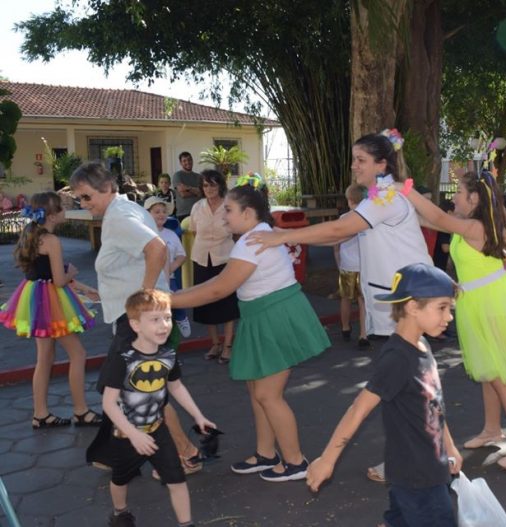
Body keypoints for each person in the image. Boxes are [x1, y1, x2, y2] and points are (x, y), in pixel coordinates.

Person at [171, 175, 330, 481]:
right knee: (256, 388)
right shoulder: (258, 234)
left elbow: (221, 288)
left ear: (247, 213)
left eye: (228, 210)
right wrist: (176, 297)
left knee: (269, 395)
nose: (223, 215)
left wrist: (171, 300)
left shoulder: (251, 241)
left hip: (274, 315)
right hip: (263, 314)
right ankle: (266, 454)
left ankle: (296, 462)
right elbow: (221, 284)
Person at [397, 170, 506, 470]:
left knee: (500, 377)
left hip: (492, 303)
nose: (453, 196)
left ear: (474, 198)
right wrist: (394, 206)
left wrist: (406, 189)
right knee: (486, 370)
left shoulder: (475, 225)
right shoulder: (473, 225)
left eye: (458, 191)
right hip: (478, 301)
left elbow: (439, 219)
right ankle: (492, 428)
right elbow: (428, 220)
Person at [70, 162, 204, 476]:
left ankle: (185, 452)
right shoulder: (123, 211)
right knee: (134, 389)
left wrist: (144, 301)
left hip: (139, 321)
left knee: (146, 390)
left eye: (87, 197)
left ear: (106, 188)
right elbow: (136, 260)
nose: (84, 204)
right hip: (135, 317)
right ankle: (118, 453)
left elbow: (157, 249)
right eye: (79, 199)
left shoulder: (119, 216)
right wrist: (105, 293)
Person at [306, 263, 462, 526]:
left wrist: (450, 446)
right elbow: (359, 409)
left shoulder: (422, 345)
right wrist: (327, 460)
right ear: (412, 307)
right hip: (418, 477)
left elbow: (434, 405)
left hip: (424, 469)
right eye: (442, 308)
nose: (449, 317)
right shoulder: (397, 359)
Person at [246, 130, 432, 339]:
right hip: (396, 301)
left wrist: (282, 237)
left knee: (407, 366)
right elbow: (338, 237)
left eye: (360, 160)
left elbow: (338, 229)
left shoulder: (384, 199)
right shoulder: (378, 198)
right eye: (354, 160)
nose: (353, 166)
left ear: (381, 165)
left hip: (402, 302)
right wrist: (285, 232)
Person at [94, 289, 215, 527]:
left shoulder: (168, 354)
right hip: (126, 434)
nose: (163, 326)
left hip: (158, 430)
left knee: (177, 479)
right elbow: (108, 403)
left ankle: (186, 523)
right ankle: (120, 513)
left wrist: (198, 415)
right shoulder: (123, 358)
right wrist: (133, 434)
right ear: (135, 324)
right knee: (120, 479)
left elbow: (176, 387)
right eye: (155, 320)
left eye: (167, 318)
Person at [0, 192, 101, 429]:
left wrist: (85, 289)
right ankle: (80, 410)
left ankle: (40, 414)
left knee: (44, 358)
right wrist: (73, 275)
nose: (67, 210)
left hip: (34, 298)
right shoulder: (52, 241)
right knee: (78, 354)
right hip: (51, 301)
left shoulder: (32, 235)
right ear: (53, 215)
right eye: (63, 207)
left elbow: (47, 271)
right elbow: (59, 279)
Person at [189, 169, 238, 364]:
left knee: (227, 304)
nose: (209, 188)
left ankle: (228, 346)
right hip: (202, 259)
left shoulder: (229, 206)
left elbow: (236, 231)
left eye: (213, 184)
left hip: (224, 259)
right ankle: (215, 343)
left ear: (220, 186)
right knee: (205, 303)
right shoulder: (197, 207)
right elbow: (193, 231)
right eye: (205, 185)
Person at [144, 196, 191, 339]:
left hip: (168, 278)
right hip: (148, 281)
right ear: (147, 214)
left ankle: (181, 317)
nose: (161, 214)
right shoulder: (142, 234)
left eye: (164, 211)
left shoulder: (170, 234)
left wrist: (170, 268)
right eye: (157, 211)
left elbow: (181, 255)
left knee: (175, 300)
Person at [333, 183, 369, 349]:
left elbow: (336, 245)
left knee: (345, 297)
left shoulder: (343, 219)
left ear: (349, 200)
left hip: (347, 265)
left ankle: (345, 327)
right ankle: (363, 334)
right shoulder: (369, 218)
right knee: (363, 300)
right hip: (364, 266)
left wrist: (338, 262)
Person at [172, 152, 201, 223]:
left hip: (199, 212)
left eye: (189, 159)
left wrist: (188, 188)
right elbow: (183, 194)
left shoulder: (198, 176)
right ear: (180, 163)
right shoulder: (178, 175)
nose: (187, 162)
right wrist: (196, 192)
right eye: (184, 161)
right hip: (184, 213)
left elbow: (202, 193)